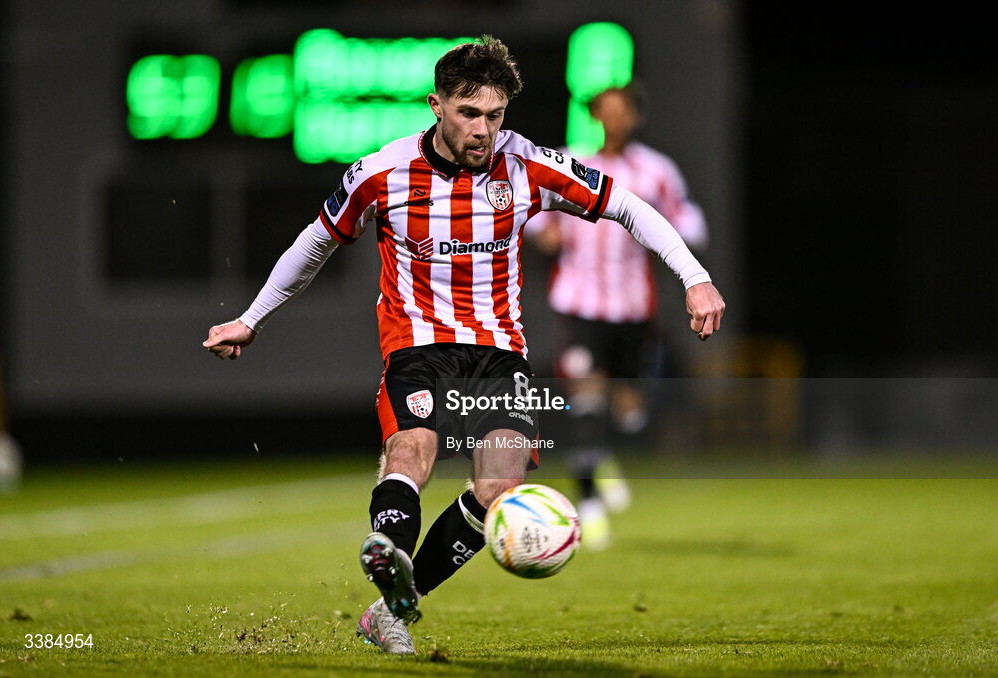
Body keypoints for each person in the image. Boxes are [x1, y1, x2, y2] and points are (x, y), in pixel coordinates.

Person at [202, 37, 724, 655]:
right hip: (417, 343)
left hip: (500, 353)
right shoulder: (382, 172)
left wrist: (695, 278)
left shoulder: (529, 165)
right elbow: (314, 243)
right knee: (414, 445)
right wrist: (252, 319)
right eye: (469, 114)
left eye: (495, 115)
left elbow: (630, 206)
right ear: (436, 106)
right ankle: (388, 548)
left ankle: (393, 606)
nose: (483, 130)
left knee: (498, 485)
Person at [526, 83, 709, 550]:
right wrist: (544, 234)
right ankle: (587, 500)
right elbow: (533, 216)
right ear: (594, 116)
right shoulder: (570, 163)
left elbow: (689, 222)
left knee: (629, 412)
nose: (613, 121)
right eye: (604, 112)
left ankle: (603, 454)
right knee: (586, 397)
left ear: (635, 117)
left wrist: (673, 241)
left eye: (621, 112)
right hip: (580, 302)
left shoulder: (655, 171)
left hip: (632, 307)